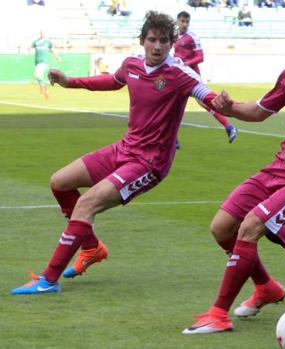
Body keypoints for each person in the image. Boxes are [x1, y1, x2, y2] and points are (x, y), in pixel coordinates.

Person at [11, 11, 225, 295]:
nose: (158, 46)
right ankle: (91, 247)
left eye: (164, 41)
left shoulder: (179, 73)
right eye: (152, 40)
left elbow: (205, 94)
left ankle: (48, 280)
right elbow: (113, 80)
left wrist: (220, 103)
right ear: (142, 41)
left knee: (86, 204)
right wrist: (69, 81)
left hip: (149, 164)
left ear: (172, 43)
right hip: (124, 148)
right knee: (59, 182)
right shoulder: (132, 64)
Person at [181, 18, 285, 335]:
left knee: (250, 227)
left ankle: (218, 313)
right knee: (221, 227)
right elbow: (258, 111)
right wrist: (228, 107)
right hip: (279, 168)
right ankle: (266, 287)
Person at [175, 11, 238, 144]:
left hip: (191, 76)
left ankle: (229, 126)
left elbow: (200, 57)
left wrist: (186, 63)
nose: (184, 24)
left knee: (205, 103)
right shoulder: (175, 36)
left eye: (187, 21)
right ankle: (173, 139)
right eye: (182, 21)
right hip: (178, 76)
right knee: (172, 105)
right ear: (177, 21)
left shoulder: (192, 37)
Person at [32, 30, 61, 99]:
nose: (42, 34)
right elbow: (30, 47)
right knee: (39, 76)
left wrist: (57, 57)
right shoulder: (36, 42)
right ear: (40, 33)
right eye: (41, 33)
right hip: (37, 62)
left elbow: (52, 50)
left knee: (36, 75)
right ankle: (42, 88)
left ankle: (45, 88)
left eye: (44, 33)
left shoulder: (48, 42)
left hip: (43, 62)